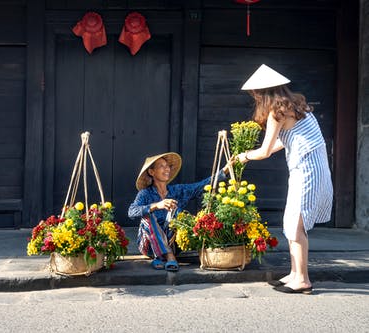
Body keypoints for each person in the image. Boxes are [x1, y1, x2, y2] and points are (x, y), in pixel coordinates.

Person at [236, 64, 333, 294]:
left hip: (306, 170)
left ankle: (302, 280)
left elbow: (265, 151)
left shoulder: (276, 112)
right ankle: (295, 272)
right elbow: (287, 140)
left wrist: (244, 156)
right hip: (312, 168)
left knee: (294, 226)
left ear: (261, 92)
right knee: (293, 223)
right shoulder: (298, 105)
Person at [128, 152, 227, 271]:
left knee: (176, 211)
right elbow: (131, 212)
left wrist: (225, 170)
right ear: (151, 172)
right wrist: (156, 205)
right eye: (161, 166)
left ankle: (161, 257)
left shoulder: (177, 191)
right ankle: (168, 256)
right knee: (148, 217)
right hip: (149, 247)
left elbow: (201, 186)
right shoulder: (145, 194)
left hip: (173, 245)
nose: (167, 169)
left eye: (168, 166)